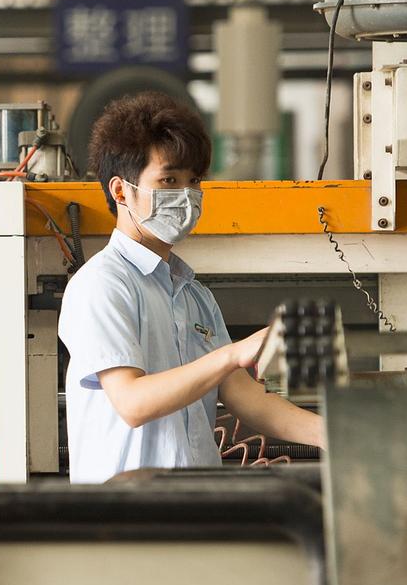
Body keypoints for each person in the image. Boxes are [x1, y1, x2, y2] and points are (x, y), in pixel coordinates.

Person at [58, 92, 323, 484]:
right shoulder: (102, 285)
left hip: (194, 504)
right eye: (168, 180)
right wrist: (232, 354)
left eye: (193, 180)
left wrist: (339, 435)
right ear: (120, 191)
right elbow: (132, 402)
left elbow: (245, 399)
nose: (185, 195)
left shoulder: (192, 294)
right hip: (125, 518)